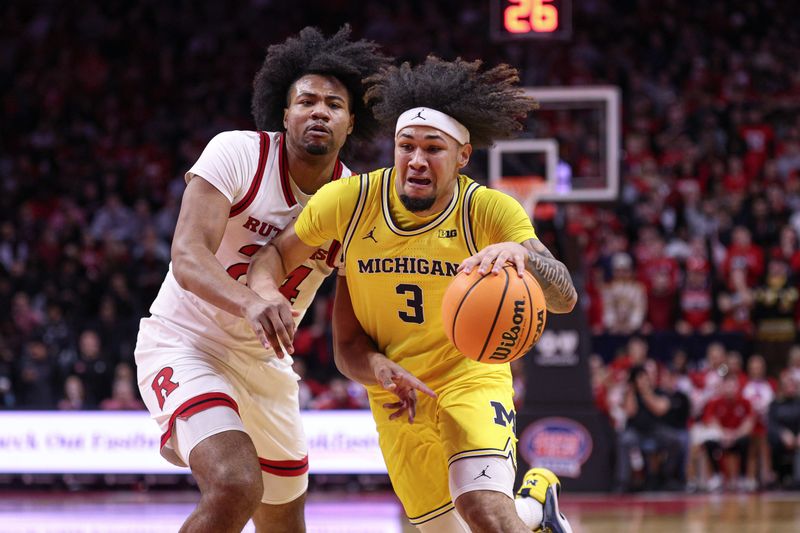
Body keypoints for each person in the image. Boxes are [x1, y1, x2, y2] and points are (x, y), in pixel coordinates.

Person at [248, 57, 577, 533]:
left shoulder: (487, 209)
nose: (417, 160)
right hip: (397, 395)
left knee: (485, 511)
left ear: (462, 156)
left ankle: (521, 508)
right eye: (406, 146)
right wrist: (264, 294)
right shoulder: (351, 201)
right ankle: (536, 505)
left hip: (471, 379)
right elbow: (275, 258)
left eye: (433, 149)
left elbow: (564, 296)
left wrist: (523, 256)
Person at [133, 26, 390, 533]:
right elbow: (186, 256)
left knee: (285, 523)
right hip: (187, 341)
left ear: (351, 123)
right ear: (285, 113)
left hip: (266, 365)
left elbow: (348, 337)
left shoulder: (355, 204)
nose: (319, 111)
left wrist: (382, 369)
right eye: (307, 101)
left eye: (334, 105)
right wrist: (249, 302)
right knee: (235, 484)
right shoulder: (237, 154)